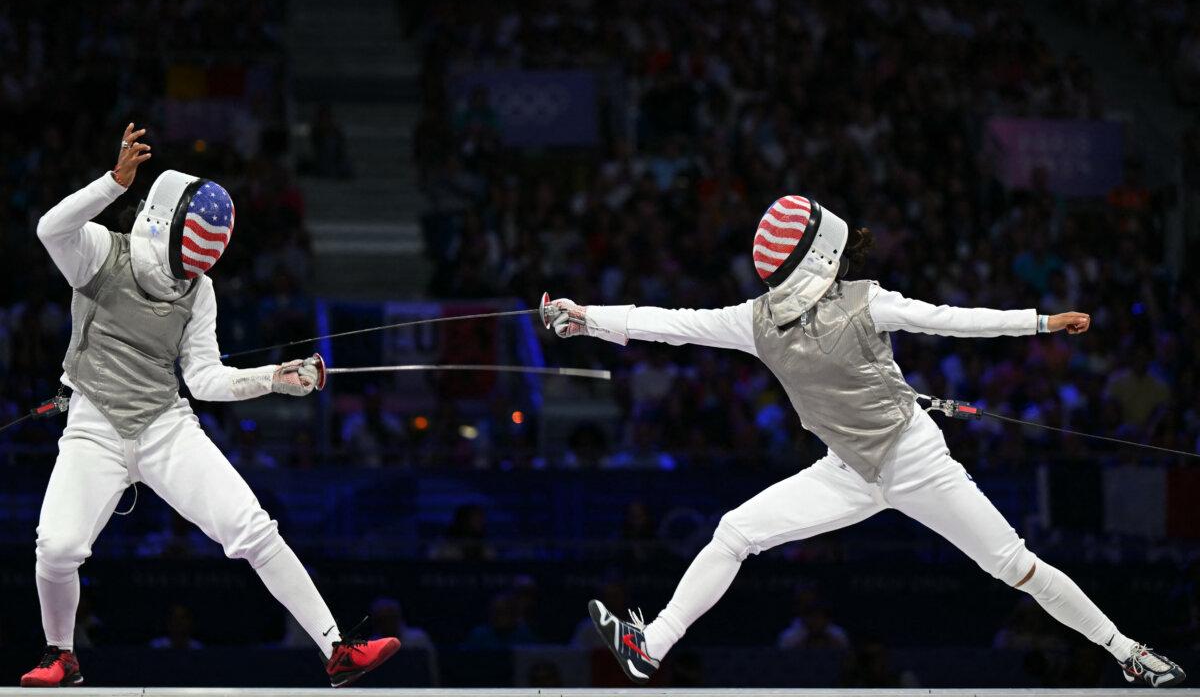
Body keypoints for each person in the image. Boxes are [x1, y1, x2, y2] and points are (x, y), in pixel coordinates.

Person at [546, 194, 1186, 688]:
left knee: (1017, 569)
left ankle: (1129, 653)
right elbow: (668, 326)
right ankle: (650, 648)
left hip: (917, 461)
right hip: (846, 472)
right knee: (735, 531)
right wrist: (584, 319)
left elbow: (949, 321)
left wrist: (1039, 322)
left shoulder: (862, 302)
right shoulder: (756, 321)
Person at [21, 124, 399, 688]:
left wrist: (275, 378)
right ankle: (62, 655)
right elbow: (49, 228)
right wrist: (111, 184)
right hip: (93, 425)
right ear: (164, 220)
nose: (188, 268)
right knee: (57, 547)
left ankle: (336, 648)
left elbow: (203, 379)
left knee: (251, 528)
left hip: (164, 427)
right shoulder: (103, 252)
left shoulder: (198, 289)